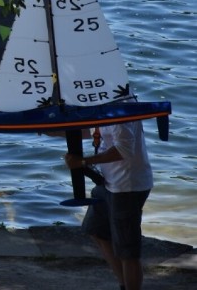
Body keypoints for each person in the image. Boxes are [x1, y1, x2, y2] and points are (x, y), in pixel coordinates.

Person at [64, 121, 154, 290]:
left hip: (127, 186)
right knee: (97, 231)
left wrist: (84, 161)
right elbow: (90, 131)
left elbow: (124, 149)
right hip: (108, 182)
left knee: (127, 251)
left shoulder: (120, 110)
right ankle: (123, 285)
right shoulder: (103, 104)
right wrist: (50, 130)